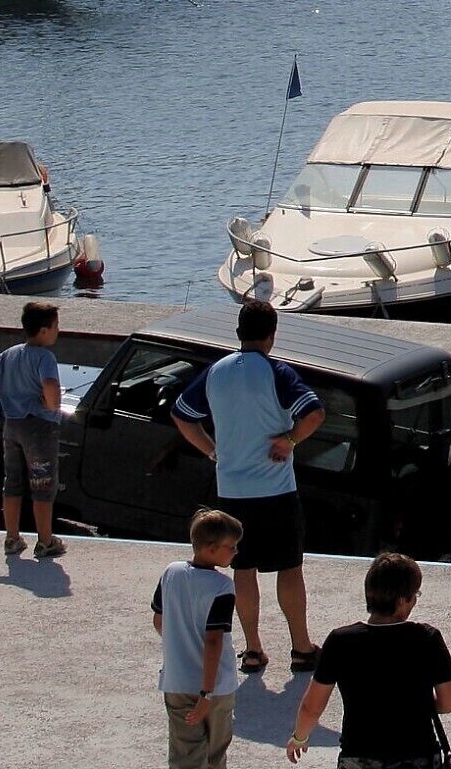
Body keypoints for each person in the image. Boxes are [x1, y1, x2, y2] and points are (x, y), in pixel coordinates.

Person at [174, 298, 327, 675]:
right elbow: (314, 413)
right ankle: (301, 647)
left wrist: (212, 450)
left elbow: (182, 414)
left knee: (243, 571)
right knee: (289, 567)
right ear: (272, 335)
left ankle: (253, 649)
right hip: (276, 490)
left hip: (231, 493)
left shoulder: (216, 373)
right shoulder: (277, 372)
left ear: (239, 332)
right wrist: (289, 441)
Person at [287, 553, 451, 769]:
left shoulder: (340, 641)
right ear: (402, 600)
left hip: (359, 756)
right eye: (415, 593)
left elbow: (311, 707)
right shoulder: (427, 638)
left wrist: (300, 737)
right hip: (418, 757)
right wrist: (419, 706)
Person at [154, 509, 244, 769]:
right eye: (232, 547)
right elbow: (214, 640)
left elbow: (159, 620)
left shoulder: (171, 573)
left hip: (178, 682)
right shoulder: (221, 587)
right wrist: (206, 693)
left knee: (186, 756)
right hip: (216, 688)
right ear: (212, 548)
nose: (235, 552)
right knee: (215, 756)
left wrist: (180, 642)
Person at [0, 299, 65, 559]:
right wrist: (52, 404)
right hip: (39, 427)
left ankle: (12, 538)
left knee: (13, 482)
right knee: (42, 483)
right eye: (56, 326)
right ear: (43, 331)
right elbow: (50, 386)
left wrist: (5, 395)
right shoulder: (45, 357)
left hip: (12, 425)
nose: (58, 331)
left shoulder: (11, 353)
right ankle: (46, 540)